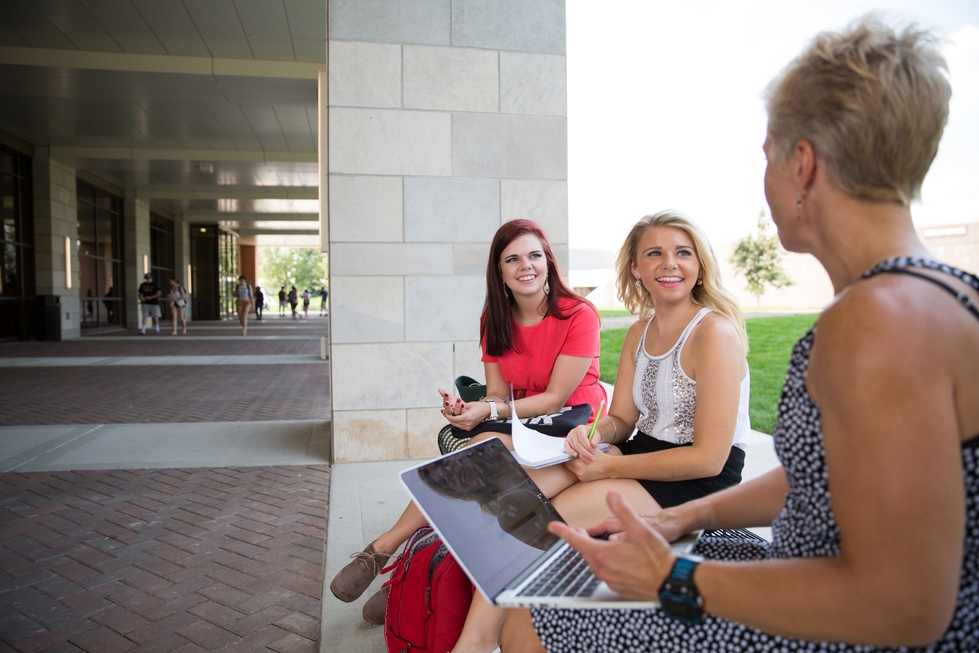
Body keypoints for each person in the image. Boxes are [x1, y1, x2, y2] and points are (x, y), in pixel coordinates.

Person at [508, 19, 979, 653]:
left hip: (840, 630)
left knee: (527, 623)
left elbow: (905, 608)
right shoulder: (943, 294)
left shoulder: (878, 324)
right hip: (802, 565)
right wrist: (687, 516)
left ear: (802, 164)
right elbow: (832, 472)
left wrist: (677, 577)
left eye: (767, 154)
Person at [329, 219, 607, 640]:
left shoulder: (577, 314)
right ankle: (399, 560)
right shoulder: (494, 319)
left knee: (486, 476)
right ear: (499, 271)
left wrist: (488, 410)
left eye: (534, 255)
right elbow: (497, 392)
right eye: (512, 259)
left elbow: (555, 399)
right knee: (478, 453)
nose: (525, 266)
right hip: (523, 423)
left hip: (572, 426)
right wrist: (471, 409)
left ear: (548, 261)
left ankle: (391, 556)